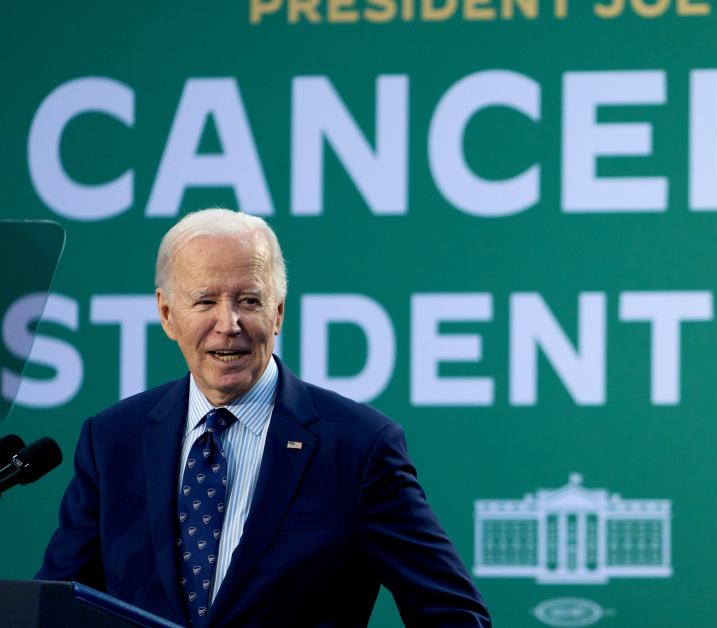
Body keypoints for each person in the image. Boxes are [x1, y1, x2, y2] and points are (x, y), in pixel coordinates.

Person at [37, 208, 490, 627]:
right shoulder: (112, 440)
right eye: (205, 301)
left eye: (249, 301)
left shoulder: (358, 448)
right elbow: (51, 608)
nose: (228, 323)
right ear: (167, 313)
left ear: (278, 313)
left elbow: (454, 614)